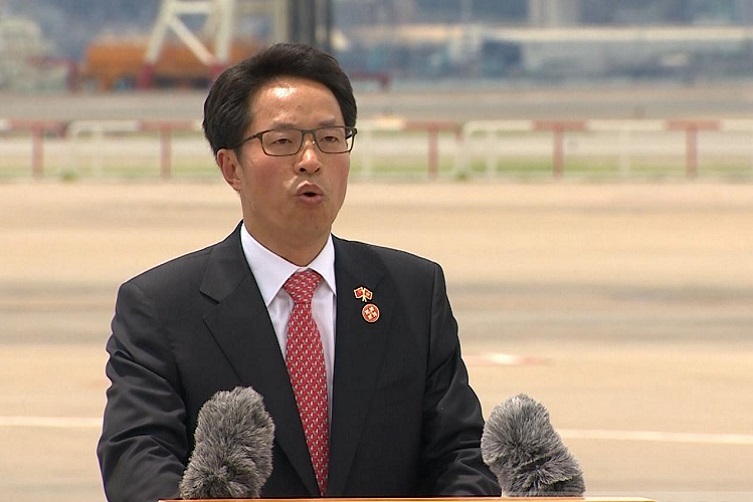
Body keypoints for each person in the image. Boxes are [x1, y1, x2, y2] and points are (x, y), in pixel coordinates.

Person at [97, 42, 500, 502]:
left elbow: (461, 454)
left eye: (329, 139)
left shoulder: (412, 292)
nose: (311, 160)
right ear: (231, 167)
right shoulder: (160, 306)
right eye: (283, 141)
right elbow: (137, 458)